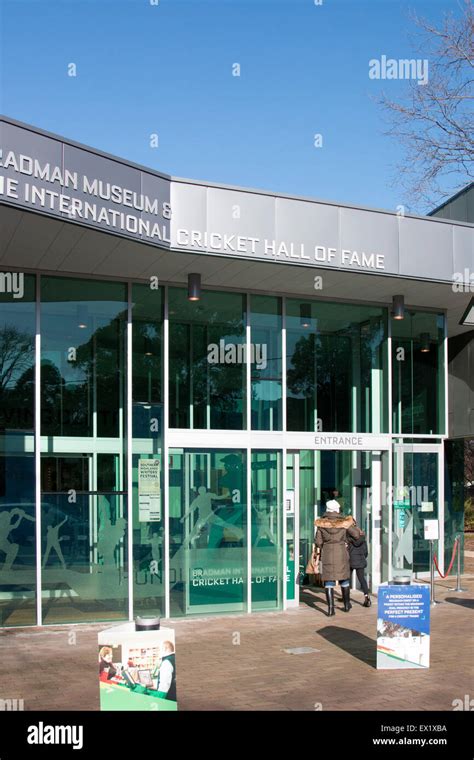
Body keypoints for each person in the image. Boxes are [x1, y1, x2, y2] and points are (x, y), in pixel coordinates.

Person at [313, 500, 361, 616]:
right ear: (337, 510)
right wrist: (346, 540)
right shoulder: (344, 523)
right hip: (341, 553)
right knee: (344, 578)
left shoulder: (322, 524)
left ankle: (330, 609)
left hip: (328, 554)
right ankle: (346, 605)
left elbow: (318, 542)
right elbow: (356, 535)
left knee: (329, 581)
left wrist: (326, 544)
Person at [347, 530, 371, 607]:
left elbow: (347, 551)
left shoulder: (349, 539)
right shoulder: (363, 540)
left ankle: (346, 598)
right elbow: (365, 552)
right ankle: (367, 597)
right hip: (360, 562)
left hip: (351, 561)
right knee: (362, 580)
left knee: (347, 580)